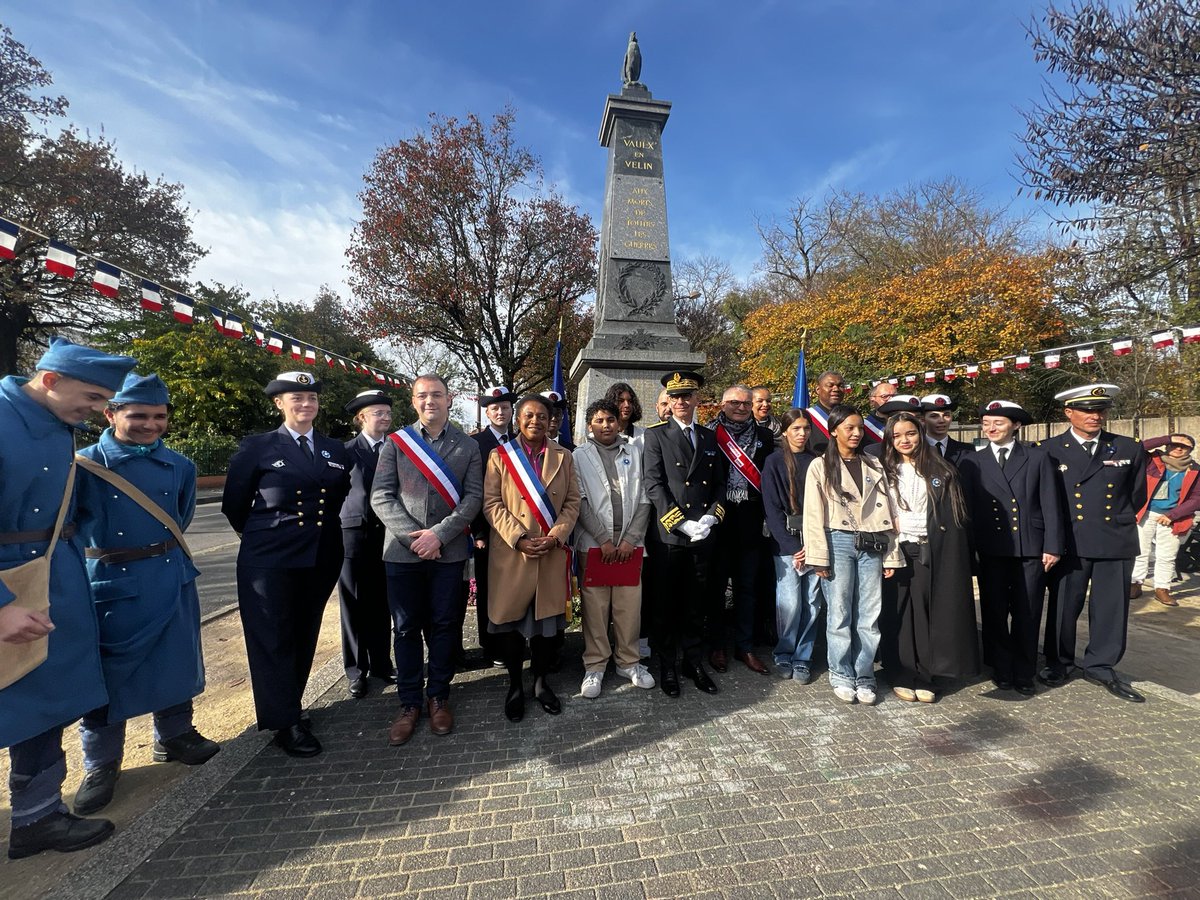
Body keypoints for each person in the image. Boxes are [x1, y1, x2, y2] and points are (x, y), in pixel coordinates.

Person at [1, 337, 136, 859]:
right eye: (94, 396)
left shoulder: (59, 425)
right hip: (13, 589)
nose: (100, 411)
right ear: (51, 380)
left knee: (47, 702)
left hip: (52, 578)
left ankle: (37, 816)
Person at [72, 373, 218, 817]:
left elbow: (181, 515)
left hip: (168, 573)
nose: (150, 424)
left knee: (174, 660)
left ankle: (175, 735)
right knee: (106, 678)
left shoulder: (180, 465)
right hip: (111, 580)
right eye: (138, 415)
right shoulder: (83, 464)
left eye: (159, 416)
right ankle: (101, 764)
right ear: (111, 413)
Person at [221, 371, 351, 757]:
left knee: (304, 632)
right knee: (272, 637)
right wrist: (267, 536)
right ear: (279, 403)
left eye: (311, 398)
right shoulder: (257, 447)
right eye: (296, 398)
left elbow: (338, 499)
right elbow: (234, 506)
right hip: (269, 559)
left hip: (321, 554)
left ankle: (290, 705)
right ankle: (285, 722)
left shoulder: (334, 449)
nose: (305, 404)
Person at [372, 375, 482, 745]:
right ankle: (408, 703)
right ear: (413, 401)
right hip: (402, 556)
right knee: (404, 628)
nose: (430, 400)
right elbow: (382, 497)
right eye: (423, 395)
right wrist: (415, 538)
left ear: (450, 399)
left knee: (444, 624)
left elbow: (473, 499)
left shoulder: (467, 446)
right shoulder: (397, 443)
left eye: (437, 394)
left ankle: (438, 696)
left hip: (447, 552)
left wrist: (440, 535)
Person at [1038, 384, 1147, 703]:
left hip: (1115, 537)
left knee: (1112, 608)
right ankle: (1059, 663)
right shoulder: (1048, 448)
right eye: (1086, 410)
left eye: (1100, 410)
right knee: (1063, 606)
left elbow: (1136, 493)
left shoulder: (1128, 447)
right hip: (1070, 539)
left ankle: (1101, 665)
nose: (1095, 416)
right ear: (1068, 412)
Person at [484, 394, 580, 721]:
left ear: (550, 419)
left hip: (550, 553)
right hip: (513, 555)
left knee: (544, 627)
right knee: (511, 626)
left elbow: (572, 503)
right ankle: (514, 685)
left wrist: (556, 536)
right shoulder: (499, 456)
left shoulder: (564, 457)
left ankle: (540, 683)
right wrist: (519, 538)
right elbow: (492, 504)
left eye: (541, 415)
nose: (535, 421)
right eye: (528, 415)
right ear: (518, 419)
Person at [958, 400, 1064, 695]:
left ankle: (1024, 671)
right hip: (991, 548)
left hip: (1029, 547)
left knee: (1027, 612)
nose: (991, 429)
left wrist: (1053, 546)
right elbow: (967, 511)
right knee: (994, 612)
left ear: (1016, 426)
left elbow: (1050, 504)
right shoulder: (972, 461)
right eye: (986, 424)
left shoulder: (1037, 458)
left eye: (999, 423)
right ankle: (1001, 669)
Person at [803, 405, 902, 705]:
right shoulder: (820, 466)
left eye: (860, 427)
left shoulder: (874, 463)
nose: (857, 433)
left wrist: (893, 555)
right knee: (840, 613)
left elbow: (889, 512)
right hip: (837, 541)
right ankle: (841, 673)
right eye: (850, 428)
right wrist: (818, 557)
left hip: (872, 543)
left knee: (869, 614)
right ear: (834, 430)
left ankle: (865, 674)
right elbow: (812, 515)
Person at [880, 411, 979, 703]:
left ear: (920, 433)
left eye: (909, 433)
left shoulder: (941, 470)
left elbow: (951, 516)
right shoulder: (884, 470)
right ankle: (900, 671)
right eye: (896, 435)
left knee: (925, 613)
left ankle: (926, 674)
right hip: (896, 551)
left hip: (929, 549)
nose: (904, 440)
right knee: (898, 613)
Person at [642, 370, 726, 697]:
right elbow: (654, 484)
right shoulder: (656, 435)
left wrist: (711, 517)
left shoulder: (708, 437)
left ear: (696, 400)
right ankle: (667, 665)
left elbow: (719, 482)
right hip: (671, 536)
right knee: (665, 605)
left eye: (686, 396)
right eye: (675, 396)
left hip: (702, 534)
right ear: (669, 401)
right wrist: (680, 522)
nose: (680, 402)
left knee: (696, 602)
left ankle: (693, 662)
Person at [573, 399, 654, 698]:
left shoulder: (635, 450)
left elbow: (646, 497)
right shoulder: (578, 456)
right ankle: (595, 665)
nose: (605, 425)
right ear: (589, 425)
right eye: (599, 420)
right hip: (596, 546)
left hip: (630, 545)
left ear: (618, 422)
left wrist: (631, 538)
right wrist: (603, 540)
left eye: (610, 419)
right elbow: (579, 501)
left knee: (628, 609)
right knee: (595, 609)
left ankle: (629, 662)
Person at [706, 384, 775, 675]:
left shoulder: (765, 436)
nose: (741, 407)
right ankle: (716, 646)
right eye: (734, 402)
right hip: (719, 520)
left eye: (746, 403)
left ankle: (745, 647)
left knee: (747, 588)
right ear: (723, 404)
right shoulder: (709, 434)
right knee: (716, 588)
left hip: (750, 521)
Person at [337, 389, 395, 700]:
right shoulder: (346, 451)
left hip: (387, 535)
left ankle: (382, 664)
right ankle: (356, 671)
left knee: (381, 602)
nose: (385, 417)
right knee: (354, 603)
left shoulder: (397, 448)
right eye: (378, 413)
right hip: (355, 535)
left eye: (387, 412)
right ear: (362, 417)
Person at [761, 408, 821, 682]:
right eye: (796, 428)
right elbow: (771, 509)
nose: (802, 433)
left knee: (811, 602)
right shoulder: (774, 462)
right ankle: (784, 652)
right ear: (785, 431)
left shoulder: (817, 461)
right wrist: (791, 546)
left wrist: (812, 545)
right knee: (790, 603)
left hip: (815, 542)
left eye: (806, 429)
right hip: (786, 543)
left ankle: (803, 657)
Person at [468, 385, 517, 665]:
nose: (501, 412)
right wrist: (478, 531)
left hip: (517, 529)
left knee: (512, 586)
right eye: (495, 408)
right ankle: (491, 645)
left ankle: (512, 638)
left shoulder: (521, 441)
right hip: (488, 530)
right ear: (487, 412)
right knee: (488, 588)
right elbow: (473, 491)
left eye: (505, 408)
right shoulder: (476, 444)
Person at [1132, 432, 1200, 607]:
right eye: (1175, 444)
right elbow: (1137, 447)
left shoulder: (1195, 470)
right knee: (1140, 550)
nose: (1178, 448)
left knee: (1167, 555)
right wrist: (1167, 438)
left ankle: (1162, 588)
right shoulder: (1152, 460)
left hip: (1174, 517)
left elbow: (1196, 499)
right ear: (1167, 445)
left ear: (1190, 450)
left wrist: (1172, 515)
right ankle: (1135, 583)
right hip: (1145, 512)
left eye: (1184, 446)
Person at [919, 394, 972, 466]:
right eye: (934, 416)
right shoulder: (916, 449)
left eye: (946, 415)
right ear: (923, 419)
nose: (941, 420)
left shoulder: (967, 450)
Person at [805, 371, 848, 455]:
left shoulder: (851, 416)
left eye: (840, 386)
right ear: (818, 390)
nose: (836, 389)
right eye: (830, 385)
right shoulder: (806, 418)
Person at [604, 382, 647, 451]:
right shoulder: (601, 435)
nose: (627, 405)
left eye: (630, 401)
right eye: (621, 401)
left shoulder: (643, 435)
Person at [863, 382, 899, 447]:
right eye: (885, 396)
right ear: (872, 401)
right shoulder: (864, 426)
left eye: (894, 396)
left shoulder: (906, 420)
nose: (891, 399)